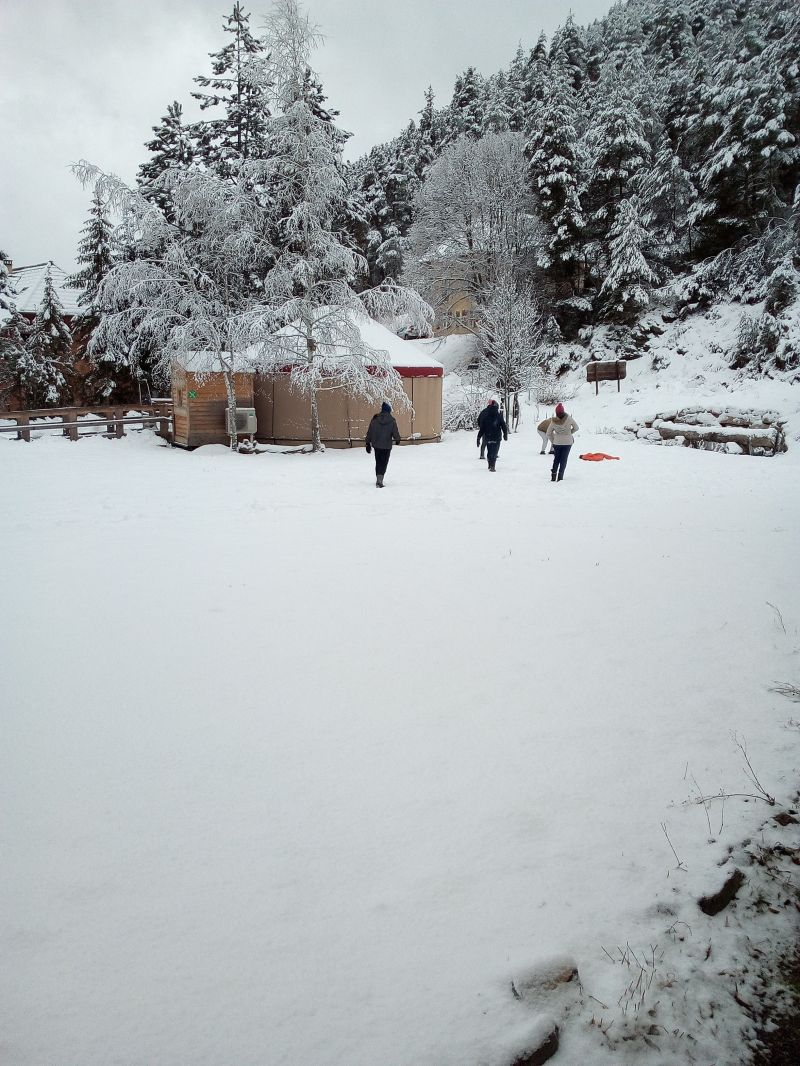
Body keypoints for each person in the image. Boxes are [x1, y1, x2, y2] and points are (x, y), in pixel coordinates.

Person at [365, 401, 401, 487]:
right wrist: (398, 439)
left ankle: (378, 479)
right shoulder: (392, 420)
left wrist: (367, 443)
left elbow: (370, 431)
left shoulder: (374, 419)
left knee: (378, 462)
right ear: (388, 411)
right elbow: (395, 432)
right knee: (384, 463)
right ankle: (380, 480)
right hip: (386, 446)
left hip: (377, 446)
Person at [546, 402, 578, 482]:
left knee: (556, 459)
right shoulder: (569, 418)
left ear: (556, 412)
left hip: (557, 443)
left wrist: (553, 440)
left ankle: (553, 476)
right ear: (563, 411)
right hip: (567, 443)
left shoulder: (553, 421)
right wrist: (569, 433)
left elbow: (548, 433)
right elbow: (576, 428)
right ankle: (560, 477)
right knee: (564, 459)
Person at [477, 398, 508, 472]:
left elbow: (480, 422)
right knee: (495, 450)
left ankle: (488, 461)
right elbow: (503, 425)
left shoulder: (485, 413)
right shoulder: (499, 415)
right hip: (497, 436)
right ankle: (493, 465)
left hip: (487, 434)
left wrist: (478, 437)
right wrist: (505, 434)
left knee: (489, 449)